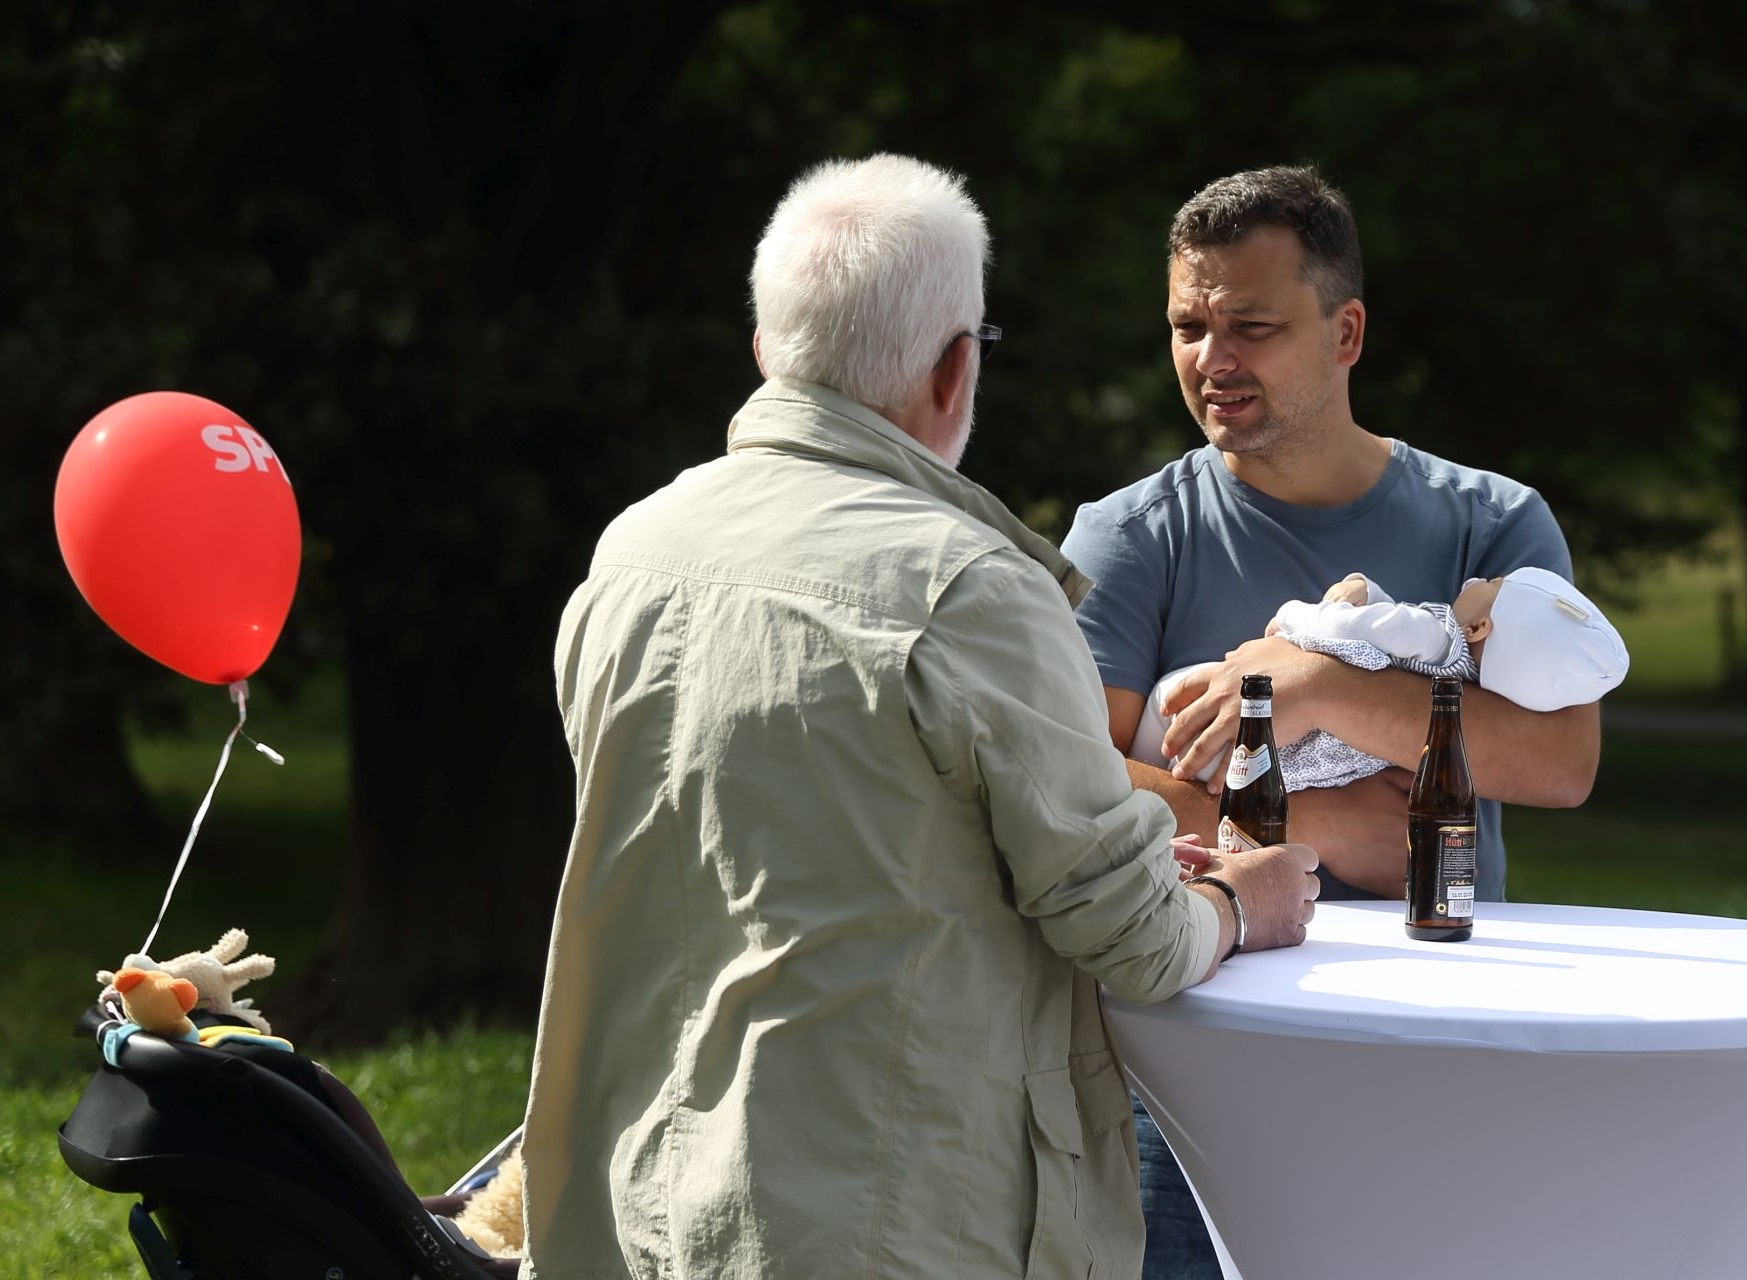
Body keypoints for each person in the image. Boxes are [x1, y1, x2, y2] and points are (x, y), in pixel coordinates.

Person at [517, 154, 1321, 1280]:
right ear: (955, 369)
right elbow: (1137, 939)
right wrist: (1241, 901)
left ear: (767, 349)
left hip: (647, 1188)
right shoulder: (972, 588)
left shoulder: (635, 549)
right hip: (889, 1211)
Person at [1058, 165, 1603, 1279]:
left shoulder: (1492, 524)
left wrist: (1322, 686)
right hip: (1189, 1060)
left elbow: (1561, 761)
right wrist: (1305, 823)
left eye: (1251, 327)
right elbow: (1066, 777)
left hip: (1439, 1039)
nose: (1212, 360)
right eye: (1189, 327)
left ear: (1346, 332)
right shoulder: (1129, 535)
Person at [1134, 567, 1630, 790]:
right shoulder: (1463, 681)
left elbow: (1352, 629)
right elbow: (1386, 637)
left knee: (1166, 705)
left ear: (1480, 627)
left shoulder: (1434, 635)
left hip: (1238, 715)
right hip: (1296, 764)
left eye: (1494, 584)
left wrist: (1291, 618)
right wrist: (1366, 591)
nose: (1480, 579)